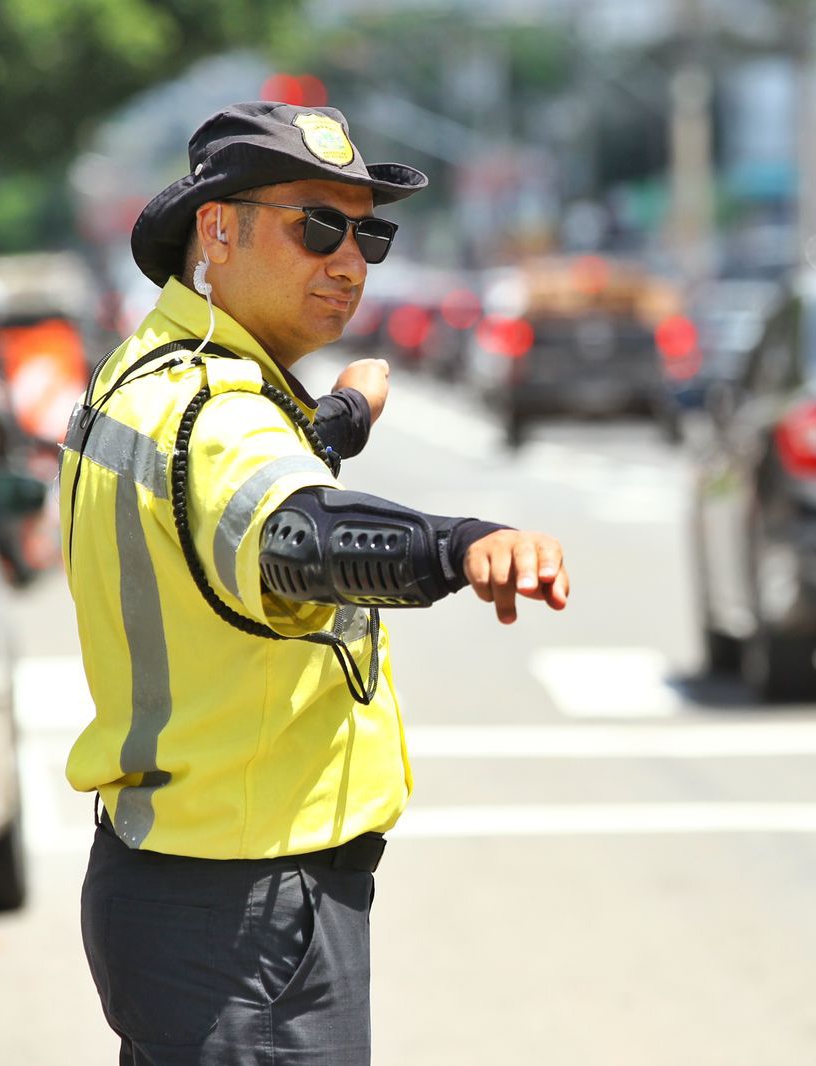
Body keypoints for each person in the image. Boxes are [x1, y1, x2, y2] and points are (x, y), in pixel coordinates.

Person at [59, 101, 570, 1065]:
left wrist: (337, 418)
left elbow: (208, 501)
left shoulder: (149, 376)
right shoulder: (217, 410)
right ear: (218, 228)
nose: (349, 261)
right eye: (317, 226)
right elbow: (298, 535)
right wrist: (460, 544)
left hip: (181, 887)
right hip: (247, 916)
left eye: (367, 232)